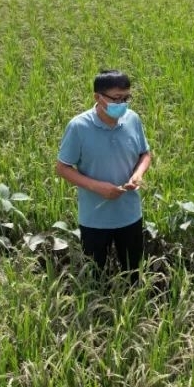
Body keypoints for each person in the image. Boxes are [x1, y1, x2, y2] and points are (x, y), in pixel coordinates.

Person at [56, 70, 152, 276]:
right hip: (95, 218)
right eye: (117, 98)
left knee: (133, 271)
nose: (123, 104)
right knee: (95, 275)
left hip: (130, 214)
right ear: (97, 97)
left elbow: (145, 154)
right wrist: (98, 187)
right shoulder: (78, 127)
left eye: (126, 98)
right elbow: (62, 168)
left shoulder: (132, 119)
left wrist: (138, 174)